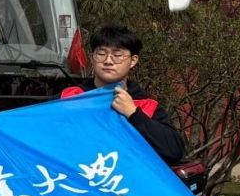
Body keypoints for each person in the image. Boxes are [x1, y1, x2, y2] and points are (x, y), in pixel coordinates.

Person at [61, 24, 187, 165]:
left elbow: (174, 151)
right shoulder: (70, 97)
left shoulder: (147, 106)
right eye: (101, 54)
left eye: (117, 55)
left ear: (133, 61)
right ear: (92, 57)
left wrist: (133, 114)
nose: (108, 61)